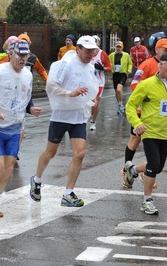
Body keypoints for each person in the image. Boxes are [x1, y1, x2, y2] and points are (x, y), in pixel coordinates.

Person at [29, 35, 98, 207]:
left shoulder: (90, 67)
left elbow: (90, 87)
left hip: (79, 117)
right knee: (50, 153)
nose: (91, 54)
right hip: (61, 115)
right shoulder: (66, 64)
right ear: (79, 49)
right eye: (88, 51)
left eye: (93, 51)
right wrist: (70, 93)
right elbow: (51, 87)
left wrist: (91, 99)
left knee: (80, 153)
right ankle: (36, 179)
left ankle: (68, 193)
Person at [124, 52, 167, 215]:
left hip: (166, 132)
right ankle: (147, 201)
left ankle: (133, 170)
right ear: (161, 65)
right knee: (153, 164)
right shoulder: (147, 84)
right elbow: (130, 105)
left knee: (158, 167)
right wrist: (137, 123)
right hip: (149, 130)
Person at [120, 38, 167, 188]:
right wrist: (151, 89)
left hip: (160, 115)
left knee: (153, 145)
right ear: (157, 50)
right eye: (165, 49)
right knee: (135, 141)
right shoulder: (147, 64)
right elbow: (134, 85)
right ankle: (126, 171)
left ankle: (147, 172)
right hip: (142, 112)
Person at [0, 40, 33, 218]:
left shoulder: (27, 74)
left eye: (25, 55)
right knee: (0, 165)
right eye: (20, 55)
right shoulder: (1, 71)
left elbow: (26, 96)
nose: (23, 59)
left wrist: (30, 109)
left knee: (9, 168)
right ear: (11, 54)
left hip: (15, 127)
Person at [17, 33, 45, 159]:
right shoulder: (10, 56)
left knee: (21, 122)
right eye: (21, 42)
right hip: (10, 93)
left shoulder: (33, 58)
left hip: (25, 92)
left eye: (25, 42)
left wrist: (49, 83)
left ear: (29, 44)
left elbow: (41, 71)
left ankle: (16, 149)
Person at [89, 35, 112, 131]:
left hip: (99, 82)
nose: (94, 42)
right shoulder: (87, 52)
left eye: (95, 41)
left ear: (99, 42)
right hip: (88, 81)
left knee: (96, 101)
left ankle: (93, 122)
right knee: (89, 102)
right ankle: (90, 113)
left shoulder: (103, 54)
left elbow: (110, 68)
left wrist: (102, 68)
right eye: (92, 40)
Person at [108, 41, 132, 114]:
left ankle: (121, 104)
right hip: (115, 74)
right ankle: (120, 105)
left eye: (120, 47)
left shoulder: (126, 55)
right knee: (116, 91)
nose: (118, 48)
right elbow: (108, 63)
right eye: (117, 47)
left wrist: (129, 69)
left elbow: (130, 63)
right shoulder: (112, 55)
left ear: (122, 47)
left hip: (123, 74)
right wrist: (109, 68)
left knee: (119, 89)